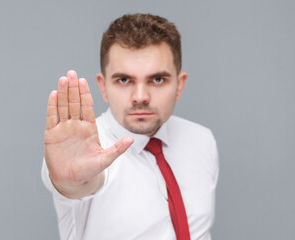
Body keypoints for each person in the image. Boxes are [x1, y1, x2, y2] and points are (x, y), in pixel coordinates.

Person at [41, 13, 219, 240]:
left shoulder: (202, 140)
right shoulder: (81, 151)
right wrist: (72, 182)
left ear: (179, 85)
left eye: (157, 79)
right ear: (103, 87)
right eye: (124, 80)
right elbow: (82, 184)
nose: (141, 97)